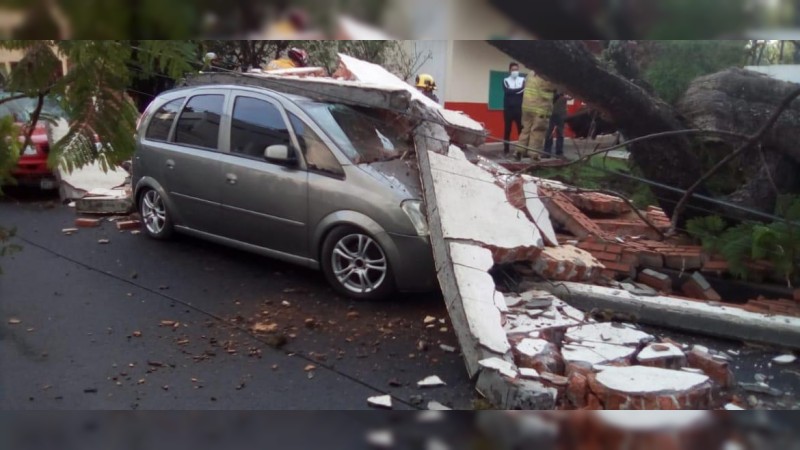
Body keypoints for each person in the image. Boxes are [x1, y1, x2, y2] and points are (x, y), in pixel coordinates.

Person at [516, 71, 556, 161]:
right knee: (538, 131)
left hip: (526, 106)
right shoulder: (546, 75)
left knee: (525, 129)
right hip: (540, 108)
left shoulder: (530, 74)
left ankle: (519, 151)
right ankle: (534, 155)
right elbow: (551, 89)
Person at [502, 62, 525, 156]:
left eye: (516, 69)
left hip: (519, 109)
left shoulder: (523, 79)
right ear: (509, 71)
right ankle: (506, 150)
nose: (515, 71)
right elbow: (507, 91)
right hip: (508, 110)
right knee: (507, 130)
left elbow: (523, 90)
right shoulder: (505, 80)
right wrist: (518, 90)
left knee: (521, 130)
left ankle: (520, 151)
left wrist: (513, 91)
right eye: (513, 69)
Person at [544, 90, 569, 158]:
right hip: (551, 112)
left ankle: (558, 152)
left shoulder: (564, 88)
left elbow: (570, 97)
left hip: (561, 113)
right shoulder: (552, 88)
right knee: (549, 132)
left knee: (560, 133)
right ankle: (547, 152)